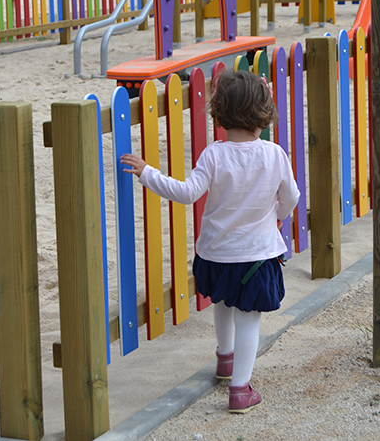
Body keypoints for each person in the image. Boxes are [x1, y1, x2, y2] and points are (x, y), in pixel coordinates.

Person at [120, 69, 300, 414]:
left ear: (219, 114)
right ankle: (240, 389)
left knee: (223, 301)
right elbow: (290, 199)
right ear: (264, 114)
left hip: (217, 254)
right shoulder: (275, 154)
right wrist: (273, 213)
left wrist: (148, 172)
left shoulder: (214, 155)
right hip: (257, 256)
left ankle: (224, 359)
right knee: (249, 317)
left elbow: (187, 193)